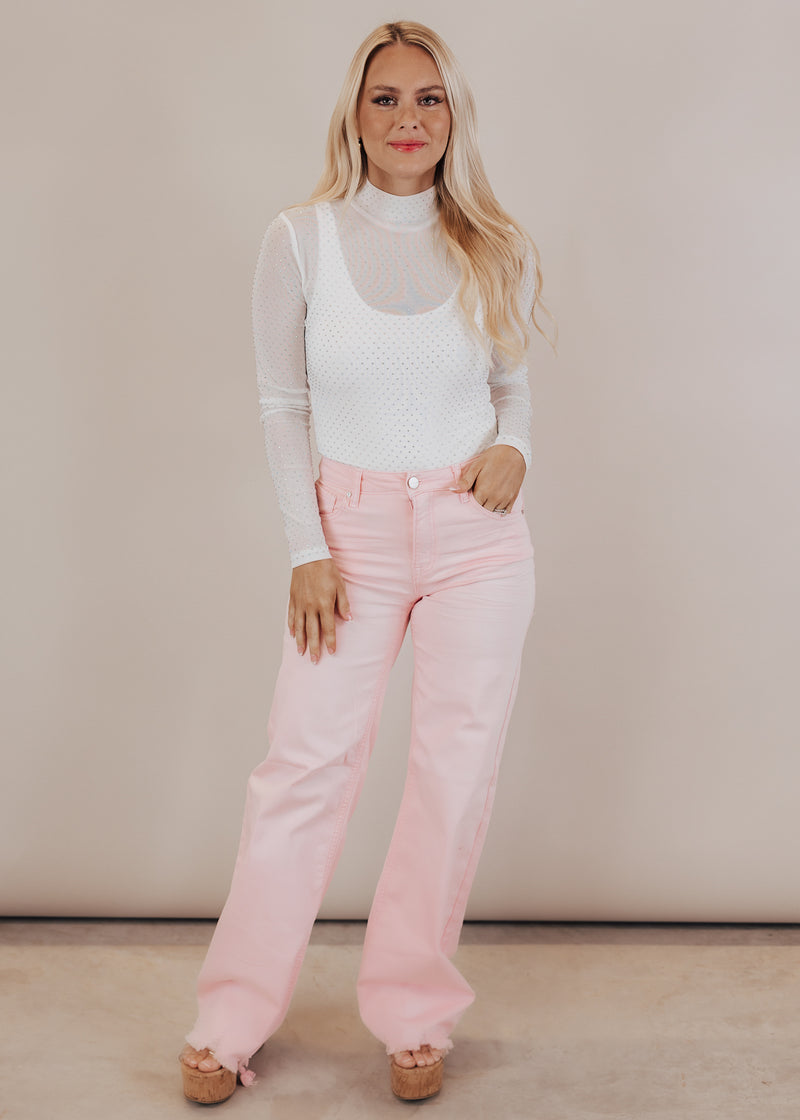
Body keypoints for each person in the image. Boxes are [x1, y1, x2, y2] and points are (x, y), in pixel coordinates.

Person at [178, 18, 556, 1105]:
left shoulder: (493, 241)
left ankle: (414, 1013)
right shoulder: (298, 240)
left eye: (427, 98)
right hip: (347, 538)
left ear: (453, 115)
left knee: (452, 774)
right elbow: (281, 404)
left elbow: (511, 392)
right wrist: (306, 547)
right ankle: (228, 1020)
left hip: (475, 542)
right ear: (354, 113)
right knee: (302, 770)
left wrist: (516, 448)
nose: (407, 118)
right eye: (385, 97)